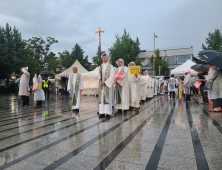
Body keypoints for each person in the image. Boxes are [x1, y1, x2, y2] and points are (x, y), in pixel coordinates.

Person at [96, 54, 114, 118]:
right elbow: (97, 76)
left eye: (105, 57)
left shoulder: (110, 66)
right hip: (101, 85)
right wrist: (99, 71)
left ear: (108, 58)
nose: (104, 58)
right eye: (103, 57)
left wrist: (105, 82)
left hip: (107, 85)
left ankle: (108, 113)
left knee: (107, 98)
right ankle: (102, 112)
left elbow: (112, 76)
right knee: (102, 99)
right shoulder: (100, 66)